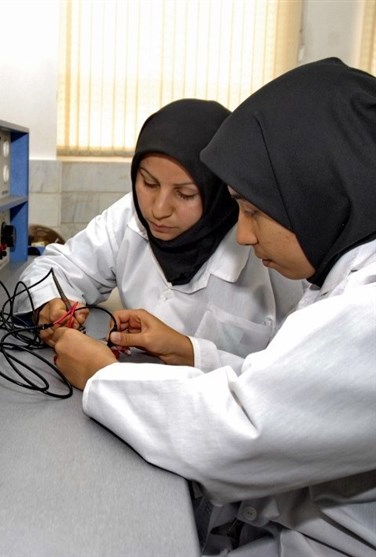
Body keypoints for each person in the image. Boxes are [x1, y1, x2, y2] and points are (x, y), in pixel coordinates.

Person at [51, 58, 376, 556]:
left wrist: (102, 375)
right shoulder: (342, 275)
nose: (243, 234)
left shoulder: (365, 310)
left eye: (254, 211)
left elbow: (238, 433)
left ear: (318, 195)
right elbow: (281, 390)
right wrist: (189, 352)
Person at [18, 99, 303, 370]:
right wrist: (49, 304)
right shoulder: (129, 216)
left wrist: (192, 354)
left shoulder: (270, 248)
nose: (158, 209)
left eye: (185, 193)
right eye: (149, 183)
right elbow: (53, 268)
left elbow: (285, 381)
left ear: (219, 190)